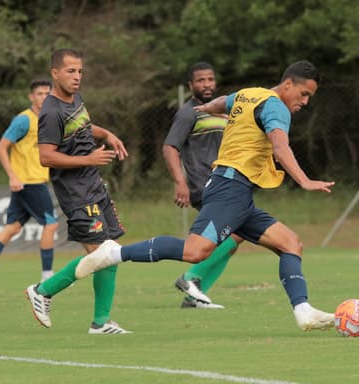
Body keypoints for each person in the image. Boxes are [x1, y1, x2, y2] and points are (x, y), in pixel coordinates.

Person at [71, 60, 336, 331]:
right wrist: (304, 180)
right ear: (288, 84)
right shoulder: (277, 107)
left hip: (237, 192)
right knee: (195, 251)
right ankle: (113, 253)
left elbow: (223, 101)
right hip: (230, 187)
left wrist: (207, 108)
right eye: (304, 94)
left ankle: (303, 311)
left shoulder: (251, 94)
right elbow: (280, 148)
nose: (305, 101)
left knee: (290, 243)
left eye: (309, 97)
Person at [24, 48, 131, 334]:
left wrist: (106, 133)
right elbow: (46, 157)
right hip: (76, 193)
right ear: (55, 73)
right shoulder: (50, 111)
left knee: (112, 253)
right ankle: (42, 290)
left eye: (80, 71)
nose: (77, 76)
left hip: (93, 185)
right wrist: (88, 159)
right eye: (70, 71)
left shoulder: (75, 100)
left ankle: (101, 322)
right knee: (103, 253)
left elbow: (83, 126)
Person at [163, 62, 242, 309]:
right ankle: (190, 279)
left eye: (210, 79)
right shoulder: (188, 113)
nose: (206, 84)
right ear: (191, 85)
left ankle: (194, 297)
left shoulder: (220, 111)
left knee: (231, 239)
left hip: (224, 183)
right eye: (200, 80)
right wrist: (180, 183)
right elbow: (169, 147)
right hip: (203, 185)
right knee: (237, 233)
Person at [0, 80, 59, 292]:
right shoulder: (23, 120)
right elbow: (1, 148)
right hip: (29, 183)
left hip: (33, 182)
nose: (44, 97)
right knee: (51, 224)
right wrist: (12, 176)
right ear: (31, 97)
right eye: (39, 93)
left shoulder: (49, 120)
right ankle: (47, 276)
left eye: (47, 93)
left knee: (13, 227)